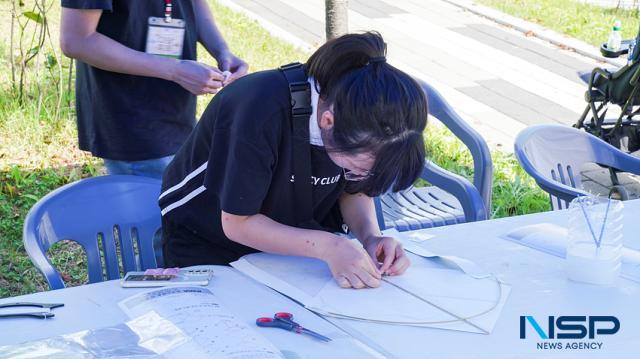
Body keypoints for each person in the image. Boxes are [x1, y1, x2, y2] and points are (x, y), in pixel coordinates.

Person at [159, 32, 428, 289]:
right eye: (357, 169)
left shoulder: (351, 117)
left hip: (294, 243)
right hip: (208, 242)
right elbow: (238, 223)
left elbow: (352, 191)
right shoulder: (259, 108)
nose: (357, 177)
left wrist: (370, 237)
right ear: (327, 121)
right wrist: (331, 247)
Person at [60, 0, 248, 179]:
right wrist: (175, 70)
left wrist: (222, 51)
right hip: (130, 115)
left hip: (175, 108)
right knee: (154, 206)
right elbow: (76, 40)